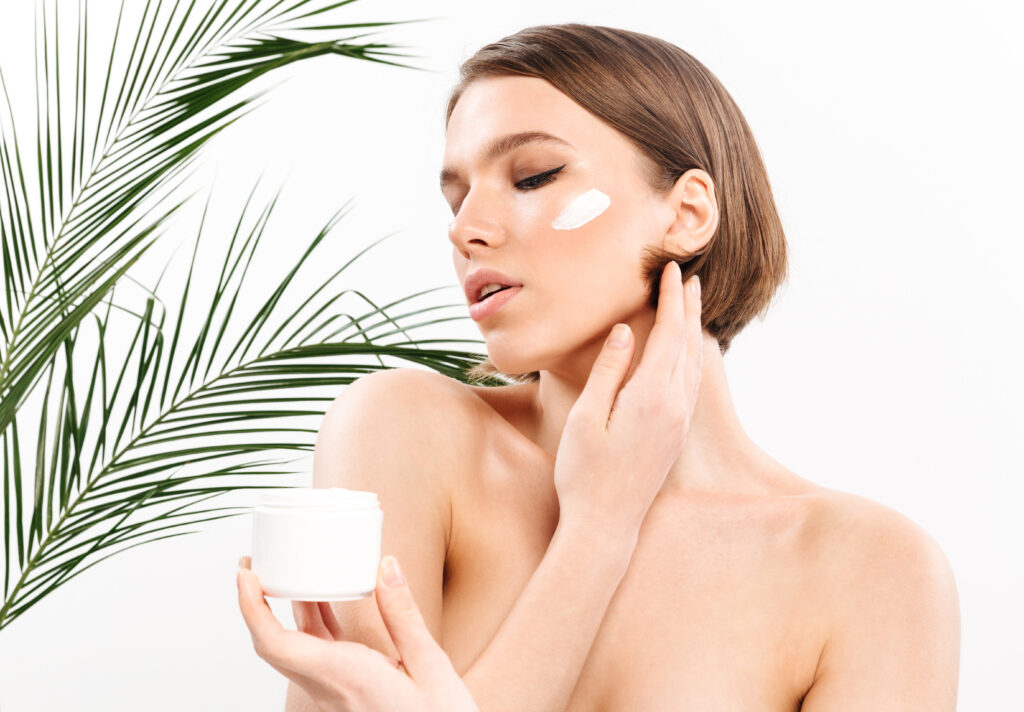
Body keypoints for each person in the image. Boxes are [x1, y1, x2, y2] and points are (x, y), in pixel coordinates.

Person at [238, 22, 961, 711]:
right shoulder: (406, 433)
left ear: (685, 215)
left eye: (534, 175)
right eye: (456, 197)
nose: (465, 229)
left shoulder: (873, 570)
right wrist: (597, 525)